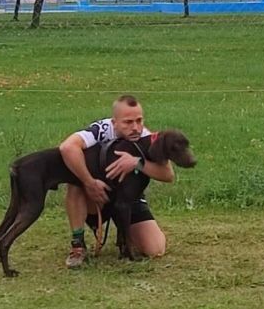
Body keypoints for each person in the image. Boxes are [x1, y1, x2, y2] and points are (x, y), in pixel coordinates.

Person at [61, 94, 177, 269]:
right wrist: (89, 182)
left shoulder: (146, 137)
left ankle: (124, 234)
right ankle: (77, 245)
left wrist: (136, 163)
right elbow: (67, 147)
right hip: (99, 194)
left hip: (129, 196)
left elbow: (168, 175)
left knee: (156, 249)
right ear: (114, 122)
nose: (136, 127)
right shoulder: (101, 130)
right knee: (75, 182)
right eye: (128, 122)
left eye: (139, 120)